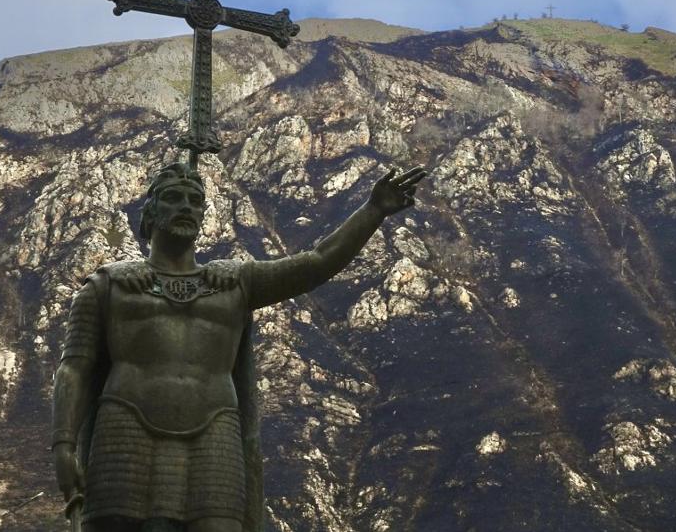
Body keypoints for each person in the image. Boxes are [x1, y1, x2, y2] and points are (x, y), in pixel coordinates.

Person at [52, 161, 427, 532]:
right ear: (150, 211)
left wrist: (373, 210)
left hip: (214, 432)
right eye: (173, 197)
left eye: (195, 200)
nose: (186, 206)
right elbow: (75, 368)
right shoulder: (109, 285)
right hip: (127, 431)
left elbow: (317, 263)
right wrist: (63, 445)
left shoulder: (233, 283)